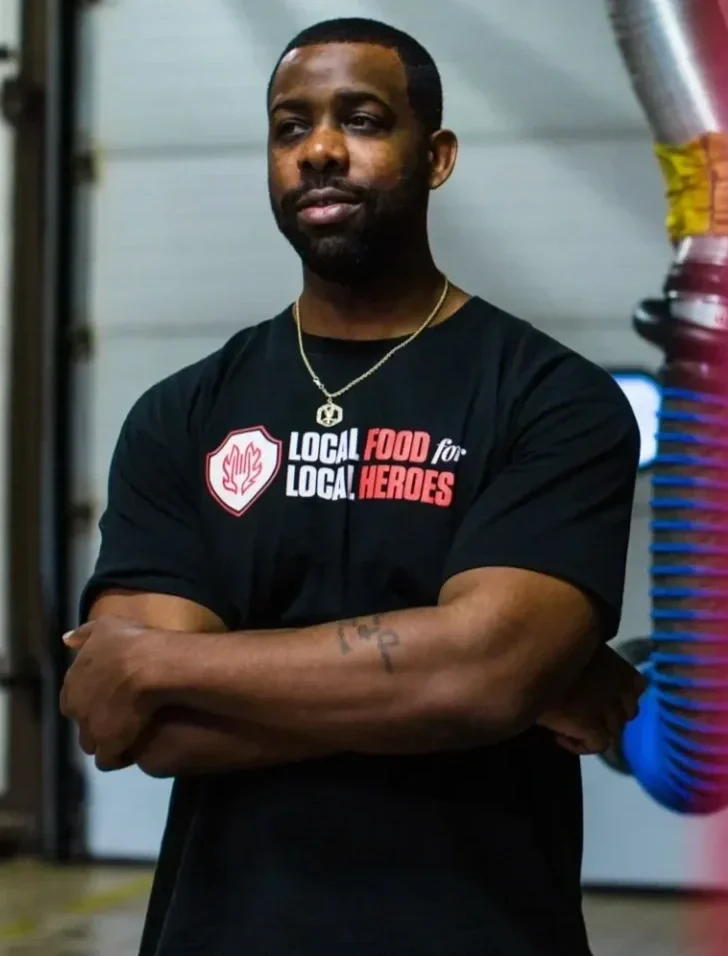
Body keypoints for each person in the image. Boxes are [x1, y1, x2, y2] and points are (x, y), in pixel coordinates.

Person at [60, 17, 645, 956]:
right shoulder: (181, 414)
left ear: (437, 155)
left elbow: (479, 675)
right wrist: (492, 688)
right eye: (290, 128)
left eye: (363, 120)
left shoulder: (552, 399)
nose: (321, 150)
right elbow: (152, 734)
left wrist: (159, 661)